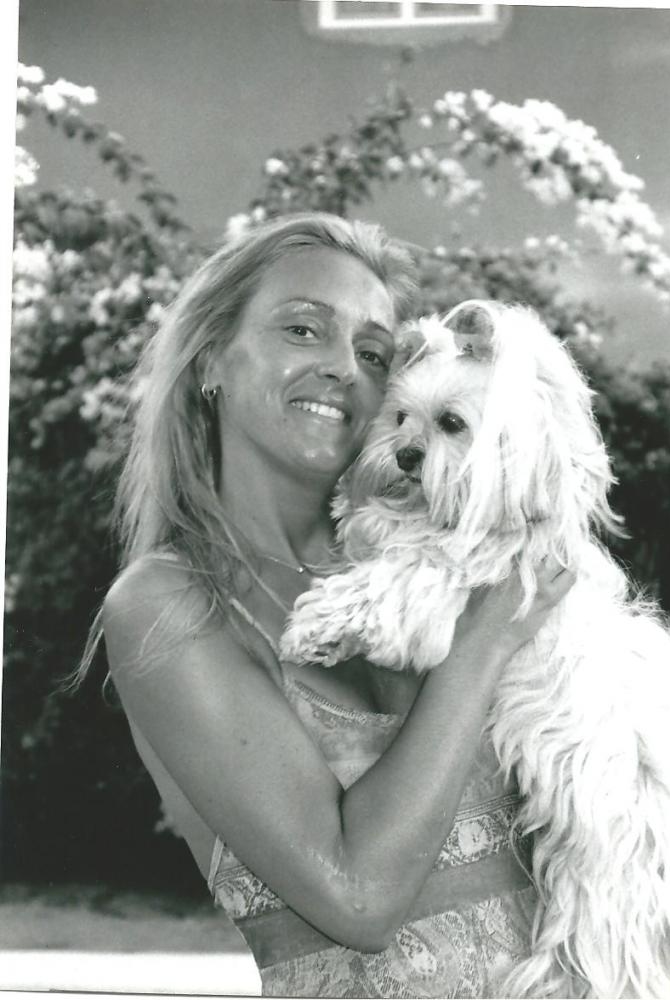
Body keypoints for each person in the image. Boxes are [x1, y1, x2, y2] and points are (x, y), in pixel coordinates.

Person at [89, 213, 573, 998]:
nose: (344, 368)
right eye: (303, 329)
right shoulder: (167, 603)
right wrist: (484, 643)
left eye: (373, 352)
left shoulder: (425, 558)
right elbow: (359, 898)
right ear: (211, 359)